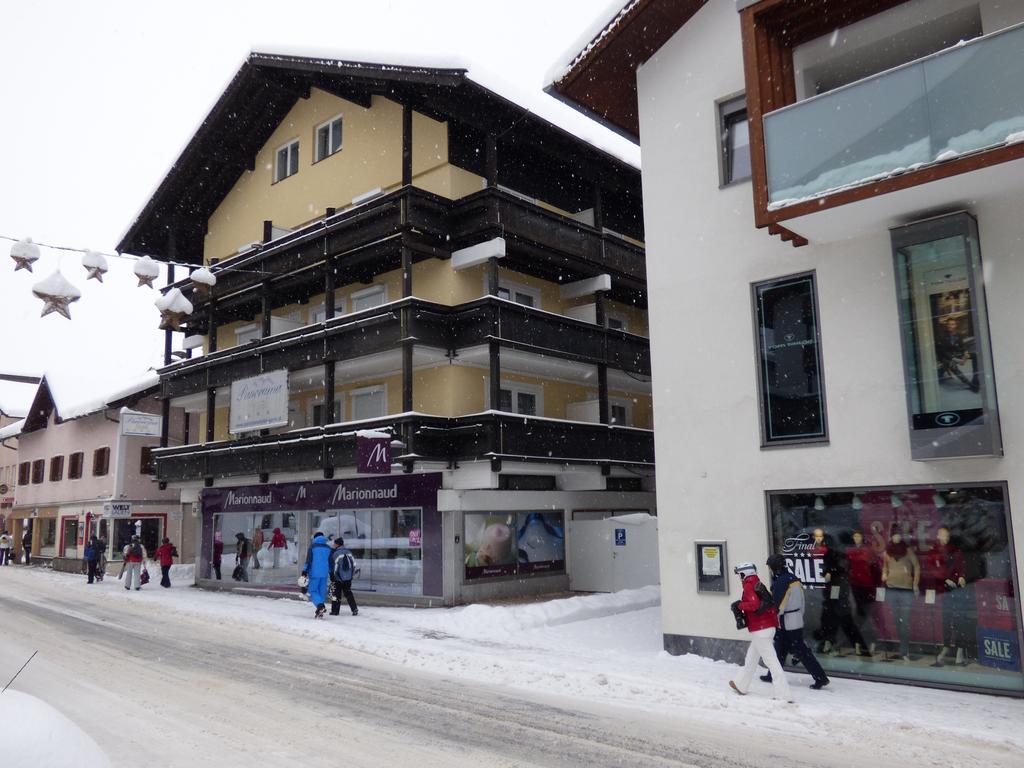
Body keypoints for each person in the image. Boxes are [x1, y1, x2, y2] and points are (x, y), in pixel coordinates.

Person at [761, 554, 829, 689]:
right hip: (795, 619)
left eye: (770, 567)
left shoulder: (781, 582)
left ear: (775, 567)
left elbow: (778, 606)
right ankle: (772, 674)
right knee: (780, 648)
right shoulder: (793, 579)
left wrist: (768, 616)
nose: (769, 570)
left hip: (787, 622)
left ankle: (820, 677)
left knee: (801, 651)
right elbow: (802, 602)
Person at [728, 561, 792, 702]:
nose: (740, 577)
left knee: (772, 662)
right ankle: (741, 685)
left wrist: (740, 605)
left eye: (740, 574)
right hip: (766, 627)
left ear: (745, 573)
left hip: (760, 630)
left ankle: (783, 695)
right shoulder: (757, 582)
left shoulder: (749, 584)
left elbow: (754, 604)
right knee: (751, 659)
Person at [301, 532, 332, 619]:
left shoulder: (313, 547)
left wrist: (304, 571)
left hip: (314, 573)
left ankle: (320, 606)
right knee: (322, 592)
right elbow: (330, 562)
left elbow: (308, 561)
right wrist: (331, 572)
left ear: (315, 538)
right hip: (325, 573)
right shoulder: (328, 548)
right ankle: (320, 611)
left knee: (313, 591)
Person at [329, 537, 359, 616]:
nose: (333, 545)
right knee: (348, 593)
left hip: (338, 578)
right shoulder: (348, 552)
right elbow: (354, 564)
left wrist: (333, 576)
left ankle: (335, 611)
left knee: (336, 594)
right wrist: (350, 575)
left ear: (337, 544)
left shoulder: (336, 553)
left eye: (334, 543)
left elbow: (335, 567)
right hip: (348, 578)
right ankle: (354, 608)